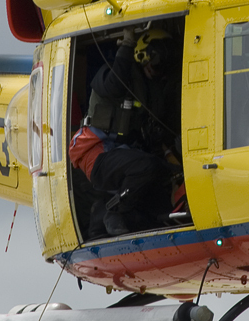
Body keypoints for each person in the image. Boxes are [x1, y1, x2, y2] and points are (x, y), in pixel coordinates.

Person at [69, 28, 180, 237]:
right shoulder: (115, 75)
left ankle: (150, 221)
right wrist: (127, 46)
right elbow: (114, 87)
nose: (158, 69)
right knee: (145, 167)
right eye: (156, 60)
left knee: (162, 173)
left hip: (122, 154)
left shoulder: (153, 91)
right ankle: (113, 211)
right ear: (142, 55)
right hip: (96, 155)